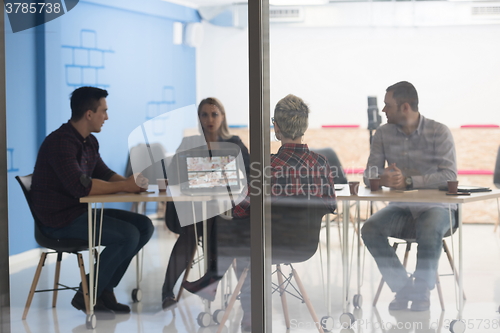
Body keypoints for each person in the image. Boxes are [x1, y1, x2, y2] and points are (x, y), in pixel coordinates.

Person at [181, 94, 337, 331]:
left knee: (233, 231)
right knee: (246, 240)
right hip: (305, 246)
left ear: (276, 127)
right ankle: (220, 287)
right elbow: (330, 205)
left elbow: (241, 209)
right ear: (304, 125)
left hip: (266, 246)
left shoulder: (267, 167)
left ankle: (242, 306)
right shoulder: (322, 163)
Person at [30, 86, 155, 318]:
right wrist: (126, 186)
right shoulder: (61, 142)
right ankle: (87, 293)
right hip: (58, 222)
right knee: (128, 235)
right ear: (89, 114)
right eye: (103, 111)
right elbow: (82, 185)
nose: (106, 117)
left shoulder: (89, 142)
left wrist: (133, 184)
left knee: (144, 226)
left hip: (78, 213)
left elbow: (105, 174)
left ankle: (103, 290)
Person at [361, 81, 457, 312]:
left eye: (387, 105)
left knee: (429, 223)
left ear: (405, 107)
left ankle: (422, 290)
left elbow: (449, 174)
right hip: (402, 208)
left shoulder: (439, 131)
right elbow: (369, 173)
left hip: (440, 210)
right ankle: (404, 289)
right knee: (369, 229)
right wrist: (381, 179)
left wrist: (410, 181)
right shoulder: (382, 134)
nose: (383, 110)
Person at [161, 97, 250, 310]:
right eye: (204, 114)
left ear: (222, 117)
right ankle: (167, 291)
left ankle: (216, 287)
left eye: (214, 114)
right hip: (190, 208)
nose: (209, 119)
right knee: (192, 231)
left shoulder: (234, 143)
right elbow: (173, 174)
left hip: (224, 210)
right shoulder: (189, 142)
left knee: (220, 224)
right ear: (199, 118)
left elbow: (251, 172)